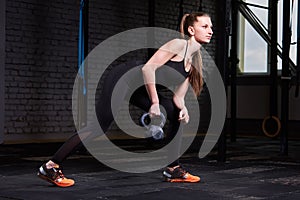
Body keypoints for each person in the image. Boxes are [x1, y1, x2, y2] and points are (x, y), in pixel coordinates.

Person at [37, 12, 213, 187]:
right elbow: (148, 69)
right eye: (204, 26)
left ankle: (173, 168)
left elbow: (178, 98)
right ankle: (50, 166)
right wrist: (154, 102)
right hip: (124, 78)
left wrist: (183, 109)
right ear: (191, 29)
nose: (210, 30)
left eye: (211, 27)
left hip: (139, 88)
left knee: (176, 113)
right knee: (98, 127)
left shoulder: (193, 62)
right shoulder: (178, 45)